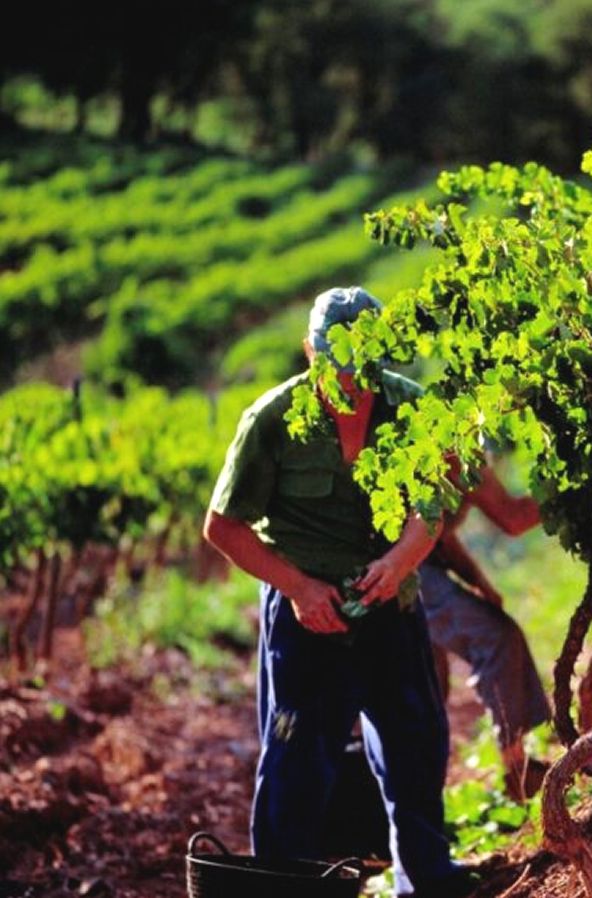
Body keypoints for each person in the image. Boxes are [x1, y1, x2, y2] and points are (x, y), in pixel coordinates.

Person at [203, 286, 476, 898]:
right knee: (296, 757)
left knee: (414, 746)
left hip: (391, 607)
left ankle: (425, 878)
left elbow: (431, 508)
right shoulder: (272, 420)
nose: (351, 378)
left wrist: (398, 562)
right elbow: (223, 527)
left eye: (364, 362)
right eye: (338, 362)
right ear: (310, 351)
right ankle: (281, 887)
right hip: (307, 617)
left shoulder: (412, 409)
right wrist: (299, 588)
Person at [420, 465, 552, 800]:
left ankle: (420, 801)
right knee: (497, 637)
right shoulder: (456, 453)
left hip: (410, 562)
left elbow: (437, 531)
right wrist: (576, 490)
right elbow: (514, 518)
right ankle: (515, 766)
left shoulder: (450, 456)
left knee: (427, 684)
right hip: (401, 568)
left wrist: (477, 581)